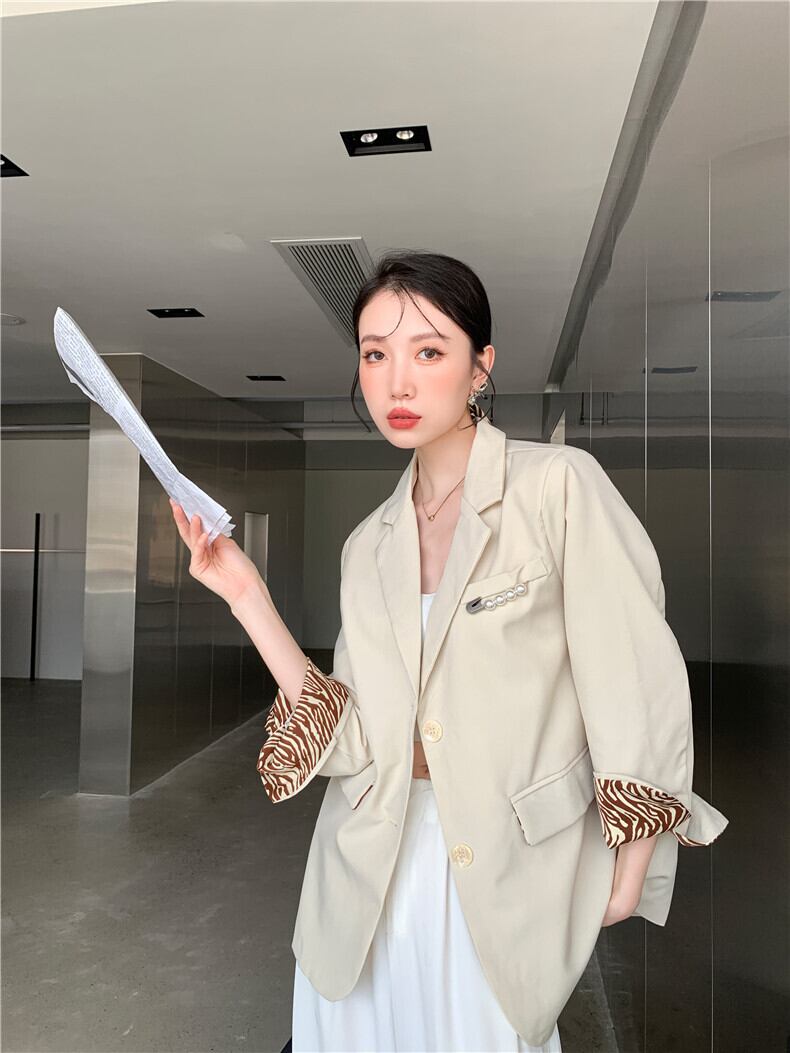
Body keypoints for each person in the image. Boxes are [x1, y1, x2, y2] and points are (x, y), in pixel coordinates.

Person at [170, 251, 728, 1051]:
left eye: (428, 351)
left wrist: (633, 856)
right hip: (363, 873)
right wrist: (247, 595)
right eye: (375, 354)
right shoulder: (369, 544)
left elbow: (631, 675)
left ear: (480, 367)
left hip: (501, 871)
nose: (397, 382)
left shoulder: (557, 487)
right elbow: (355, 740)